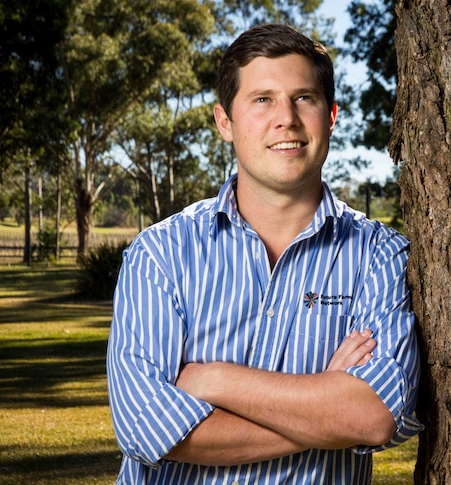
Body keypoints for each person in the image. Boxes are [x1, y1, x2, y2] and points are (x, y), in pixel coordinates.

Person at [106, 23, 422, 484]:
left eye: (303, 98)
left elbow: (374, 417)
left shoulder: (381, 255)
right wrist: (327, 412)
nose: (286, 119)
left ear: (330, 116)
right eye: (262, 100)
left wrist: (216, 381)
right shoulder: (160, 255)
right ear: (224, 122)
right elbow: (146, 430)